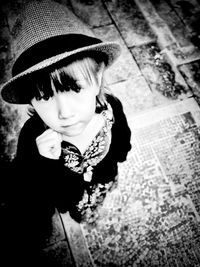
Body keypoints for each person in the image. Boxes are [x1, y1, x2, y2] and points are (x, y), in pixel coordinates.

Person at [0, 0, 131, 265]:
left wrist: (120, 155)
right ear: (30, 101)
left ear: (98, 75)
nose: (64, 112)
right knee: (71, 207)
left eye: (73, 88)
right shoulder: (34, 137)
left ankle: (90, 211)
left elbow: (123, 137)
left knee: (94, 203)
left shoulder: (111, 109)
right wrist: (42, 162)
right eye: (44, 96)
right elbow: (24, 189)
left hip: (102, 178)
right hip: (64, 194)